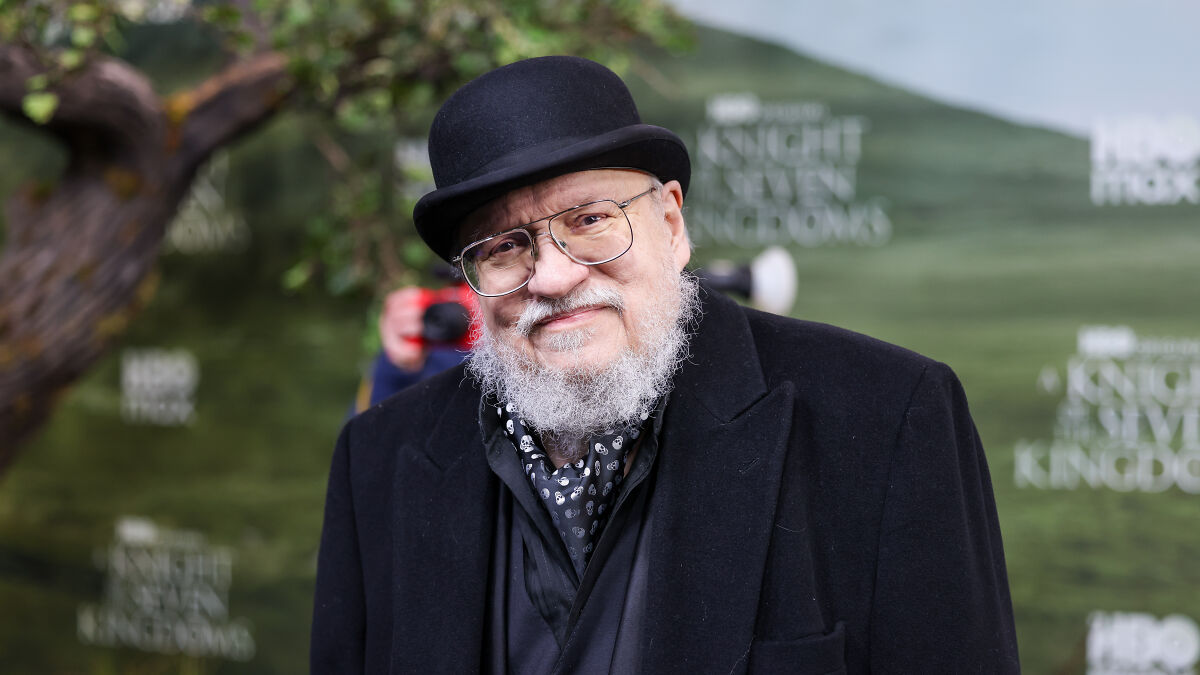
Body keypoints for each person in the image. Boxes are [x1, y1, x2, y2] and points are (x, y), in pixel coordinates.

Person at [311, 56, 1019, 673]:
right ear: (472, 279)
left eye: (589, 219)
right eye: (504, 247)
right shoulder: (378, 460)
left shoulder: (888, 417)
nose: (552, 276)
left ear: (672, 225)